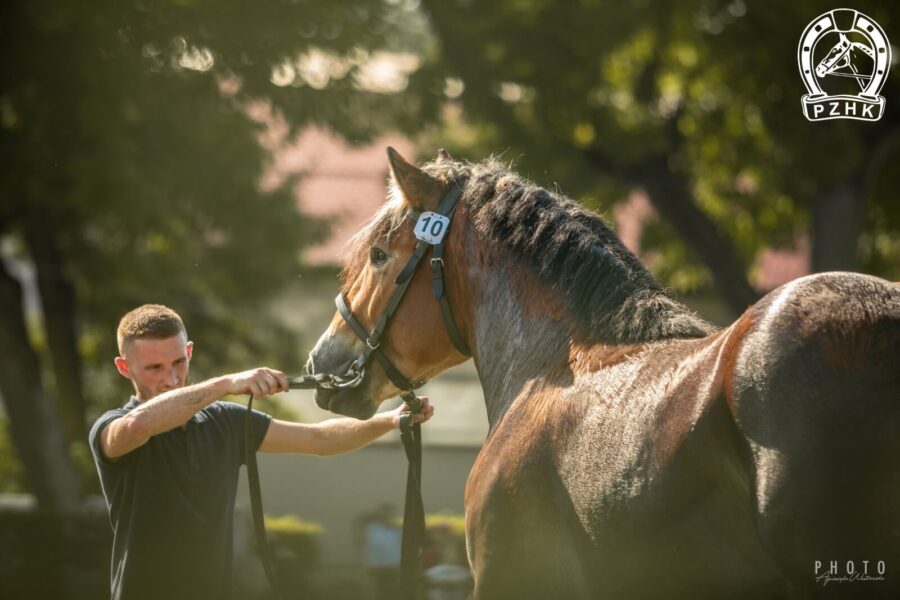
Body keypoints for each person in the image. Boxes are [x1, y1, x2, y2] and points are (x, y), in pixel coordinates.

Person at [89, 304, 433, 600]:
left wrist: (389, 420)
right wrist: (226, 384)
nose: (172, 378)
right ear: (124, 368)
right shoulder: (112, 426)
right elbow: (137, 428)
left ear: (189, 352)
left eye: (179, 362)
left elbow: (319, 441)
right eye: (155, 368)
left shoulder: (224, 421)